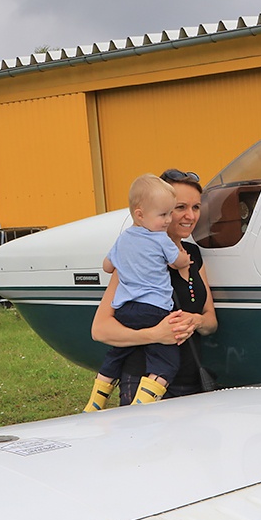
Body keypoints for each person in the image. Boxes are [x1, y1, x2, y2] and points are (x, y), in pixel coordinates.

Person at [91, 168, 218, 406]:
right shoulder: (137, 255)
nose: (189, 216)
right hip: (143, 379)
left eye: (196, 207)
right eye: (179, 208)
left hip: (190, 378)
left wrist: (196, 321)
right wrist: (154, 335)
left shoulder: (192, 254)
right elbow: (100, 329)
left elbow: (210, 320)